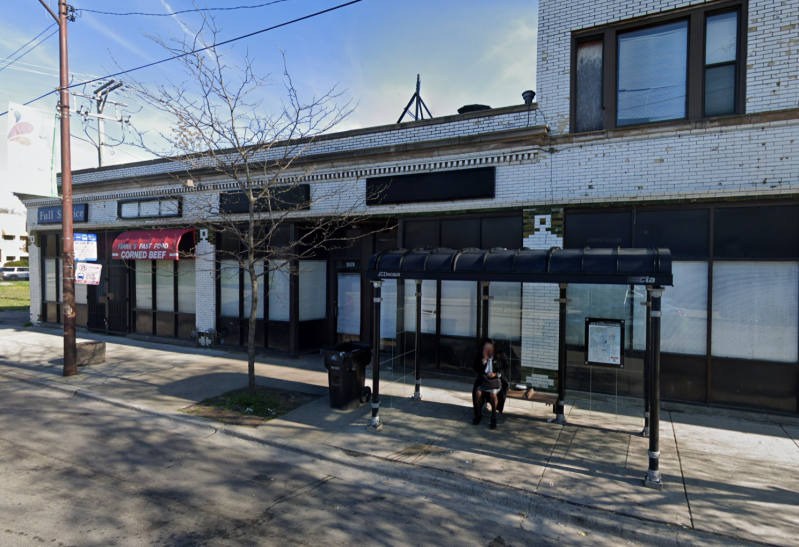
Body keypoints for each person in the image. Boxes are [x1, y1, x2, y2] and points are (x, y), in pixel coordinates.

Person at [472, 338, 509, 429]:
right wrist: (483, 362)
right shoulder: (481, 355)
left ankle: (493, 417)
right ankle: (478, 414)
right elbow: (475, 368)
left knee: (493, 394)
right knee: (478, 392)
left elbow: (507, 368)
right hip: (484, 380)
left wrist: (496, 374)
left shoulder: (501, 355)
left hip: (495, 381)